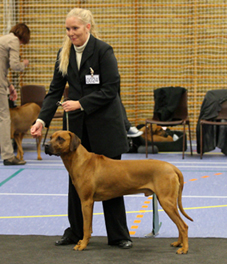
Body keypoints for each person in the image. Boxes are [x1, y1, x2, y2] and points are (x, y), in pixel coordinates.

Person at [31, 8, 132, 249]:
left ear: (88, 27)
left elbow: (111, 89)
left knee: (112, 183)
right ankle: (75, 232)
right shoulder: (64, 53)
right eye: (67, 29)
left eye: (75, 28)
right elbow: (54, 90)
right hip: (77, 132)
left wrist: (80, 103)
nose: (70, 33)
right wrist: (41, 120)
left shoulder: (103, 51)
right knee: (76, 182)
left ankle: (119, 236)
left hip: (106, 126)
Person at [0, 23, 30, 165]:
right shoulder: (14, 40)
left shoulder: (3, 39)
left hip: (2, 80)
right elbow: (14, 65)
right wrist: (23, 63)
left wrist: (9, 86)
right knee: (4, 118)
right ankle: (7, 156)